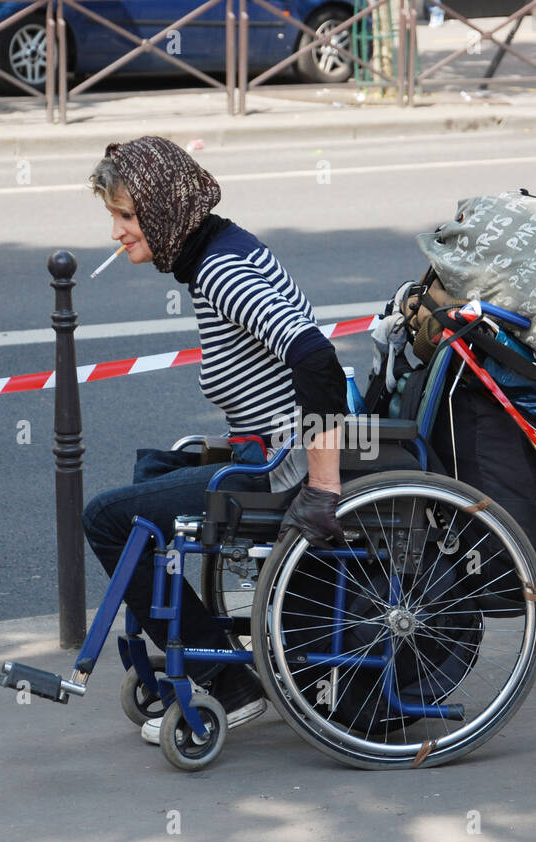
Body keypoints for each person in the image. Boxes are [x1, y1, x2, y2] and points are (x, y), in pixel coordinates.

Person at [81, 136, 348, 744]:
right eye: (114, 217)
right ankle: (211, 659)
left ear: (163, 210)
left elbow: (316, 360)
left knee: (105, 519)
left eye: (126, 215)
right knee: (149, 478)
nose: (118, 232)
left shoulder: (223, 271)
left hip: (280, 469)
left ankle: (231, 687)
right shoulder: (220, 251)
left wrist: (323, 487)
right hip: (265, 452)